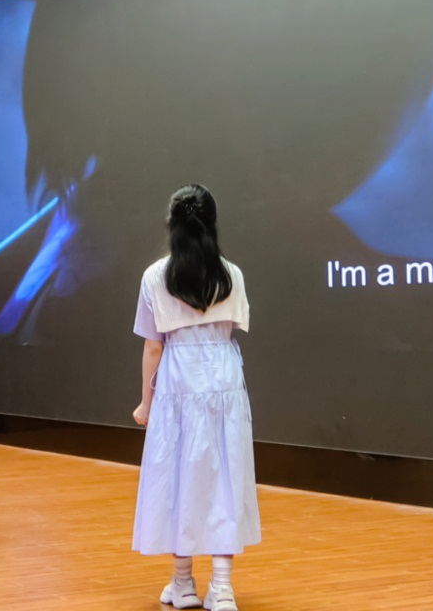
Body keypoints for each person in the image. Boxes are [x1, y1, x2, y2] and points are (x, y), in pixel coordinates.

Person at [131, 185, 260, 611]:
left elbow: (153, 347)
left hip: (177, 381)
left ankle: (183, 582)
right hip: (224, 380)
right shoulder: (232, 274)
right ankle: (221, 588)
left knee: (177, 477)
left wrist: (145, 403)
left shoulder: (155, 276)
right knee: (226, 477)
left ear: (171, 224)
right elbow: (232, 327)